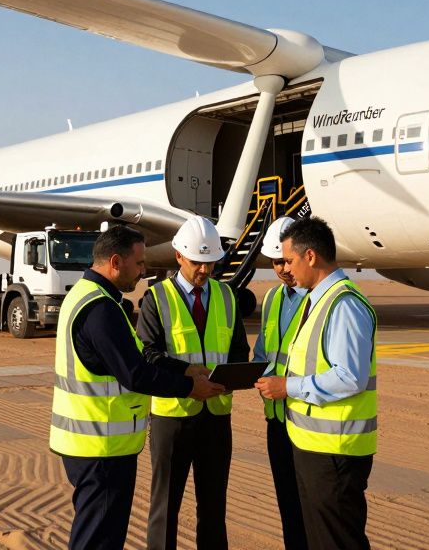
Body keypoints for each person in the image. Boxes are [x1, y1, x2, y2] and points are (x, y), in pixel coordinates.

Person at [50, 224, 225, 550]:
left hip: (89, 444)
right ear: (116, 262)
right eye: (140, 263)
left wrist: (185, 368)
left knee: (97, 533)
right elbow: (136, 375)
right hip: (101, 448)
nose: (144, 272)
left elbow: (139, 362)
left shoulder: (87, 295)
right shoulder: (101, 309)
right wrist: (189, 387)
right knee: (99, 539)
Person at [255, 216, 377, 550]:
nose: (286, 270)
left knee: (337, 540)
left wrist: (287, 388)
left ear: (310, 257)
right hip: (312, 443)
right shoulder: (317, 299)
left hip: (336, 450)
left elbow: (350, 376)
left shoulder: (343, 304)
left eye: (290, 261)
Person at [137, 216, 251, 550]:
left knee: (214, 507)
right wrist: (189, 374)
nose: (204, 270)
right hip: (172, 418)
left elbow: (239, 351)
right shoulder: (156, 298)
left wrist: (233, 377)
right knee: (165, 507)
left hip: (216, 416)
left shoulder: (227, 296)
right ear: (178, 256)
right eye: (197, 263)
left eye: (210, 263)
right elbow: (147, 354)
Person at [251, 216, 308, 549]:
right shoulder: (272, 299)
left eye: (288, 261)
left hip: (307, 419)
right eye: (276, 262)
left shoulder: (319, 297)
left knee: (313, 509)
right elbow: (263, 351)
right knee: (288, 504)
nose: (283, 269)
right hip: (276, 419)